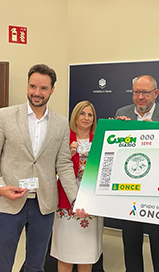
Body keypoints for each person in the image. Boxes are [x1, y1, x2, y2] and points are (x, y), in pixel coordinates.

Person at [0, 64, 80, 272]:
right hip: (8, 202)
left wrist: (76, 199)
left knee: (36, 265)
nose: (37, 92)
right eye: (32, 86)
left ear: (52, 89)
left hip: (43, 204)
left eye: (43, 88)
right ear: (27, 85)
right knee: (2, 263)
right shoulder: (4, 116)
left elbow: (64, 164)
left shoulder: (61, 124)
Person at [115, 75, 159, 272]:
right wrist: (116, 130)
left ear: (156, 93)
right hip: (130, 190)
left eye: (145, 92)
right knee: (131, 241)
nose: (140, 97)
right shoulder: (122, 113)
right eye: (137, 92)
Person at [51, 100, 103, 272]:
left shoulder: (101, 140)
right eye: (82, 113)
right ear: (75, 115)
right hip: (67, 199)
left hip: (91, 201)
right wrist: (68, 154)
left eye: (90, 115)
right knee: (66, 250)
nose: (86, 118)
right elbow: (50, 169)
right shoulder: (63, 138)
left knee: (86, 251)